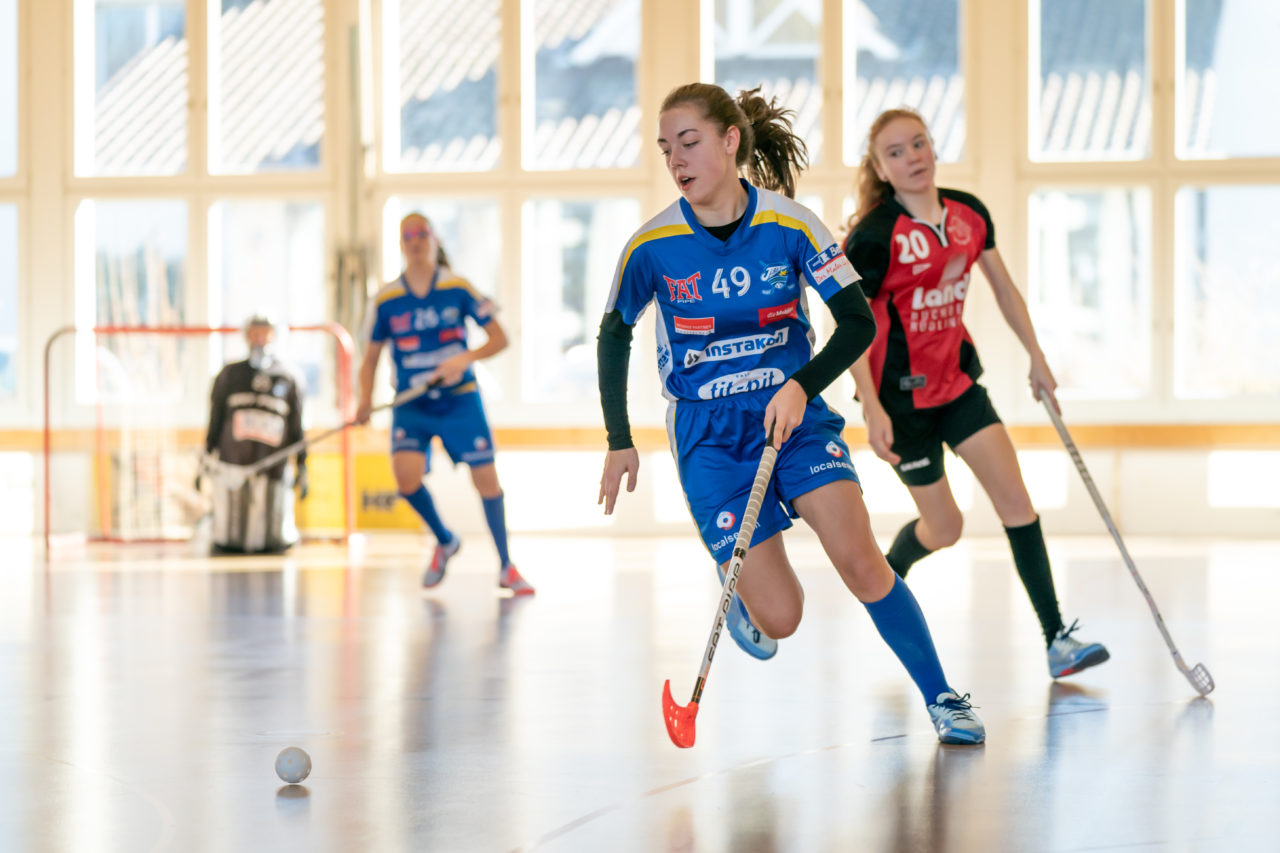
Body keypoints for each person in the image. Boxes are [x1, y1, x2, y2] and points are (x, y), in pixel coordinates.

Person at [596, 83, 984, 745]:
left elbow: (857, 323)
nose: (676, 158)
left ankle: (942, 695)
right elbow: (614, 332)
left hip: (794, 415)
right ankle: (739, 577)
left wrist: (804, 384)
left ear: (730, 140)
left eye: (689, 141)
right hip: (710, 437)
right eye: (666, 148)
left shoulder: (792, 224)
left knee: (862, 560)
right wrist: (618, 437)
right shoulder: (652, 245)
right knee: (782, 617)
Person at [841, 107, 1108, 679]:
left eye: (919, 144)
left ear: (933, 149)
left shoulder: (968, 214)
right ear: (881, 169)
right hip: (901, 404)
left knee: (1016, 502)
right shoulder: (873, 236)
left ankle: (1056, 637)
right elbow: (853, 329)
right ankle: (892, 570)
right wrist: (871, 407)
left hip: (959, 386)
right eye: (896, 152)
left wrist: (1038, 358)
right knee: (947, 528)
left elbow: (1006, 292)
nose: (912, 157)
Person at [356, 212, 534, 596]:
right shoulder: (385, 299)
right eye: (408, 236)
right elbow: (368, 360)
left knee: (486, 479)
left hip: (459, 400)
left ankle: (506, 566)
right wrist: (364, 403)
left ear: (435, 240)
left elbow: (500, 338)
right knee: (405, 478)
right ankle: (445, 539)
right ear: (401, 244)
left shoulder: (458, 288)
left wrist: (464, 359)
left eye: (422, 234)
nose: (416, 241)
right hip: (411, 403)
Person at [203, 314, 307, 553]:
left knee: (272, 534)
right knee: (231, 530)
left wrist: (302, 465)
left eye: (265, 332)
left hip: (273, 468)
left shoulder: (289, 378)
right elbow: (215, 418)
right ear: (246, 335)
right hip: (233, 466)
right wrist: (208, 456)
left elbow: (297, 427)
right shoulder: (229, 375)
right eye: (254, 332)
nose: (260, 338)